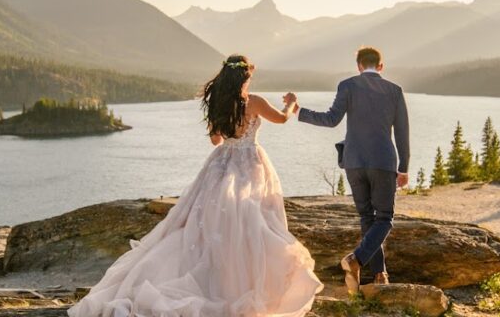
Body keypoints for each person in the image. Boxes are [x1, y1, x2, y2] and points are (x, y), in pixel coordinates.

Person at [68, 54, 323, 317]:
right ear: (246, 77)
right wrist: (292, 103)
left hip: (221, 163)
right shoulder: (254, 102)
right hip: (250, 164)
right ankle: (245, 282)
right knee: (253, 220)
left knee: (209, 223)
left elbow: (216, 141)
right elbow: (281, 119)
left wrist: (229, 133)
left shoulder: (218, 103)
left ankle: (214, 278)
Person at [286, 46, 409, 294]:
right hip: (383, 162)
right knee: (384, 219)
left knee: (367, 218)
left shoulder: (347, 85)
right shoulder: (394, 91)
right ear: (381, 66)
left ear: (359, 66)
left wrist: (298, 111)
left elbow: (331, 119)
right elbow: (403, 133)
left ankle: (379, 275)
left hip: (354, 161)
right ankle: (357, 260)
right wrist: (403, 167)